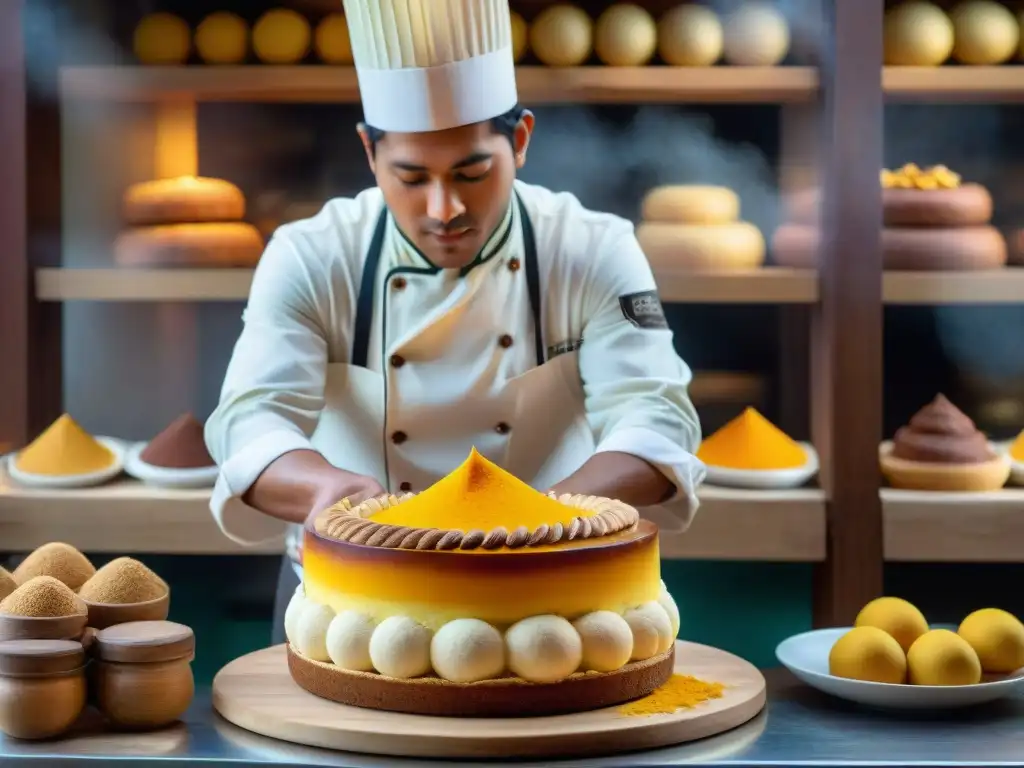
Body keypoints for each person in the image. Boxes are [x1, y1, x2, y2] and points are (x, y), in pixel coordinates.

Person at [205, 0, 706, 645]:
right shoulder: (313, 254)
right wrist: (325, 489)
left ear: (520, 140)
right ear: (368, 151)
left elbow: (656, 417)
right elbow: (250, 419)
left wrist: (545, 520)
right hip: (351, 605)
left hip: (549, 595)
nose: (444, 209)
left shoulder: (591, 248)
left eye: (473, 174)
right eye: (410, 178)